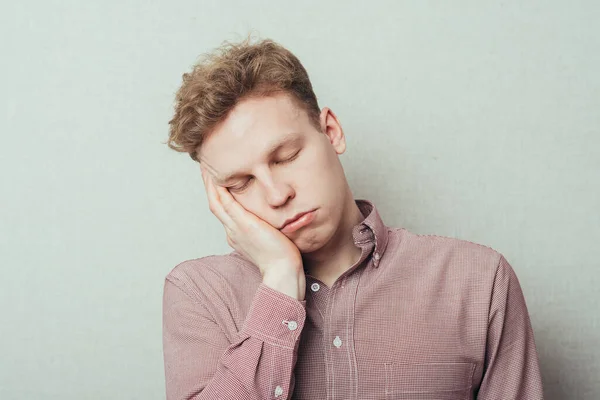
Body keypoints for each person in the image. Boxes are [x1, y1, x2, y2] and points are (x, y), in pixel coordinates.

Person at [163, 37, 544, 400]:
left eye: (287, 157)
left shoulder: (479, 281)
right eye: (242, 182)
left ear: (331, 132)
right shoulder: (198, 293)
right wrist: (279, 281)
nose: (278, 195)